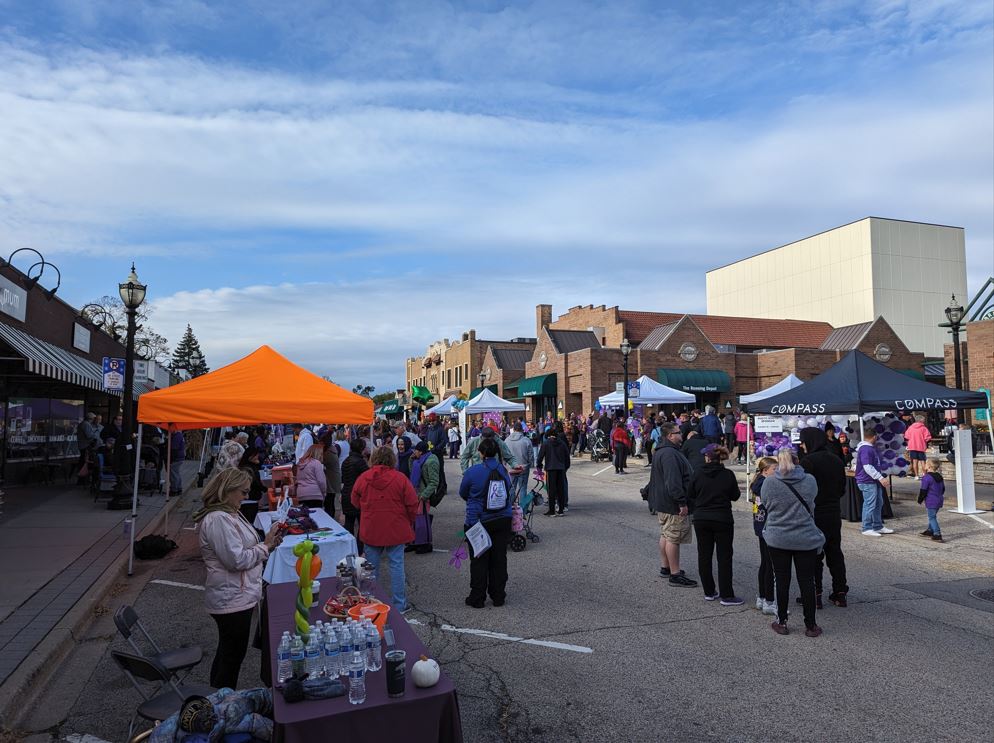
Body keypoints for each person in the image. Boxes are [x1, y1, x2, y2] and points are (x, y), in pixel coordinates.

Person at [194, 468, 283, 689]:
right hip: (231, 597)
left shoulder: (228, 514)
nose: (245, 497)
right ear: (228, 491)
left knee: (230, 653)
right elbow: (236, 560)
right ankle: (221, 703)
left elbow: (243, 550)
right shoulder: (219, 519)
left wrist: (267, 542)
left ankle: (220, 699)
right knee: (231, 656)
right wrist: (266, 546)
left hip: (236, 594)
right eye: (243, 492)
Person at [760, 449, 825, 637]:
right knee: (807, 581)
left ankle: (781, 621)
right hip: (805, 537)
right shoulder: (810, 480)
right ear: (798, 461)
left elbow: (766, 504)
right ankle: (811, 625)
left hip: (778, 537)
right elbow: (813, 501)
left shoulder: (770, 482)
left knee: (781, 579)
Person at [353, 446, 420, 611]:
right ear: (392, 459)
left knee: (370, 568)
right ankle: (399, 604)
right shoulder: (400, 478)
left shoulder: (364, 478)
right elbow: (412, 504)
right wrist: (408, 521)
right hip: (395, 527)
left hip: (371, 527)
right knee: (397, 566)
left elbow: (354, 500)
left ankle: (370, 602)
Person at [459, 437, 514, 608]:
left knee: (479, 560)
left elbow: (463, 492)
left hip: (478, 520)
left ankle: (477, 596)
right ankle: (498, 596)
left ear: (480, 453)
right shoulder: (503, 470)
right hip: (502, 518)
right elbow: (509, 491)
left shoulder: (473, 471)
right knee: (499, 559)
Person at [799, 427, 849, 608]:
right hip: (833, 511)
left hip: (814, 512)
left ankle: (815, 592)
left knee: (814, 554)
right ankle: (840, 591)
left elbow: (803, 489)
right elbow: (842, 487)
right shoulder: (836, 459)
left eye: (803, 442)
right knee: (834, 551)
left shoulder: (808, 462)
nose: (802, 446)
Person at [687, 444, 742, 605]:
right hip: (722, 518)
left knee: (704, 555)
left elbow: (690, 494)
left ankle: (709, 591)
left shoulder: (697, 473)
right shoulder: (727, 474)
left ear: (707, 457)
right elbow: (735, 496)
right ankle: (727, 594)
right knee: (724, 557)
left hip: (702, 517)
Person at [647, 423, 697, 587]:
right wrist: (681, 502)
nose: (681, 435)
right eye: (678, 433)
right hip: (672, 504)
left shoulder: (664, 451)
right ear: (670, 436)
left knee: (666, 534)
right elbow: (673, 482)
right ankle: (675, 574)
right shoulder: (669, 454)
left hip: (663, 502)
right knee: (673, 537)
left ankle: (666, 567)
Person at [750, 456, 778, 615]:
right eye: (775, 469)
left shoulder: (758, 482)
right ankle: (769, 600)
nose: (777, 472)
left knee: (765, 564)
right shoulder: (764, 484)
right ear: (765, 470)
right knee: (770, 565)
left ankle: (762, 597)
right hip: (766, 526)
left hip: (762, 526)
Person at [855, 430, 892, 537]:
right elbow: (867, 467)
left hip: (872, 480)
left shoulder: (868, 448)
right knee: (870, 504)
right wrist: (880, 477)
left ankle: (878, 526)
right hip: (867, 481)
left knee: (878, 503)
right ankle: (866, 527)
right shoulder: (866, 449)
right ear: (874, 437)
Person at [341, 438, 368, 553]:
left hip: (346, 494)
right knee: (362, 525)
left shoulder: (346, 461)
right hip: (357, 495)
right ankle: (359, 549)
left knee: (349, 522)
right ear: (361, 449)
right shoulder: (360, 462)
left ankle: (349, 549)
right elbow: (368, 477)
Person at [536, 427, 570, 516]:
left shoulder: (546, 443)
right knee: (560, 489)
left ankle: (551, 510)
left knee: (551, 490)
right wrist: (565, 467)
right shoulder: (562, 443)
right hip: (561, 468)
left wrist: (539, 466)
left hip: (550, 468)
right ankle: (561, 509)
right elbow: (567, 457)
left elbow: (540, 457)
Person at [504, 422, 534, 507]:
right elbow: (530, 453)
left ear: (513, 429)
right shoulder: (526, 440)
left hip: (511, 467)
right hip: (523, 466)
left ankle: (511, 507)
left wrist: (505, 464)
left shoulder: (507, 440)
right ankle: (523, 508)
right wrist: (531, 463)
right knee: (523, 488)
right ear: (521, 429)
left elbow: (504, 454)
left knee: (512, 488)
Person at [919, 459, 945, 542]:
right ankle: (930, 530)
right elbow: (943, 489)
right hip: (939, 499)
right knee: (932, 516)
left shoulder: (926, 477)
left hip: (931, 500)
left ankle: (937, 534)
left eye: (926, 463)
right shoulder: (939, 476)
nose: (925, 465)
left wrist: (920, 499)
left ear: (929, 467)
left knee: (932, 517)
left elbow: (923, 490)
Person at [321, 434, 342, 517]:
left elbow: (320, 462)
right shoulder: (332, 450)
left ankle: (331, 518)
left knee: (329, 501)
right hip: (333, 478)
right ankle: (331, 516)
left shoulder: (328, 454)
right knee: (330, 500)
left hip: (331, 479)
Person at [905, 415, 932, 479]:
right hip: (921, 447)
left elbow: (906, 436)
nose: (924, 421)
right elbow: (928, 438)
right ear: (921, 420)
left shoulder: (910, 427)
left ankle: (916, 476)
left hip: (912, 447)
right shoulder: (924, 428)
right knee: (923, 461)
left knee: (914, 462)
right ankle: (925, 475)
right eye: (924, 420)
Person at [169, 429, 185, 497]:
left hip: (177, 458)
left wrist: (171, 459)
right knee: (176, 473)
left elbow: (174, 448)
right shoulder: (180, 435)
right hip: (180, 457)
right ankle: (179, 488)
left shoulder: (177, 436)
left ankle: (174, 490)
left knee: (174, 474)